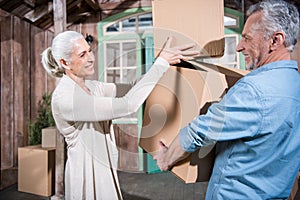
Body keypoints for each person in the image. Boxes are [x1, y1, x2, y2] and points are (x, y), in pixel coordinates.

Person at [153, 0, 300, 199]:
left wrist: (166, 157)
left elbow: (199, 131)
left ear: (275, 40)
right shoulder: (295, 85)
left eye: (247, 38)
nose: (239, 47)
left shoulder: (255, 90)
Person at [41, 30, 199, 200]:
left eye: (90, 50)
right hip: (85, 170)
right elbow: (128, 104)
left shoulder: (93, 87)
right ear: (65, 62)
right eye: (82, 54)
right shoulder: (66, 97)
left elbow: (132, 87)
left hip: (104, 166)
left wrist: (159, 63)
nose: (91, 58)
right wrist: (161, 64)